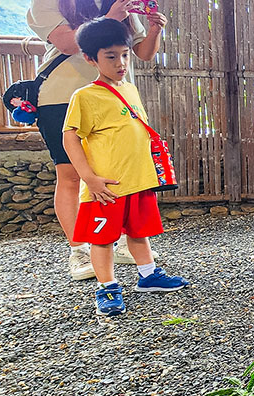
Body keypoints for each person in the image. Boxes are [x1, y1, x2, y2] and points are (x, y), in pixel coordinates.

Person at [27, 0, 167, 280]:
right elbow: (69, 43)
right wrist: (110, 14)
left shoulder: (118, 0)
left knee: (120, 172)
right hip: (64, 96)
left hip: (114, 99)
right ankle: (80, 249)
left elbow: (143, 54)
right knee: (72, 174)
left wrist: (154, 29)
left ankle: (117, 240)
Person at [62, 18, 189, 316]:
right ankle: (106, 287)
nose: (120, 62)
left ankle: (148, 275)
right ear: (90, 58)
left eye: (124, 54)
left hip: (138, 180)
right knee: (103, 239)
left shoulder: (129, 88)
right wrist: (90, 178)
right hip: (105, 187)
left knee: (139, 231)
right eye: (110, 56)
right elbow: (70, 139)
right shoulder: (85, 96)